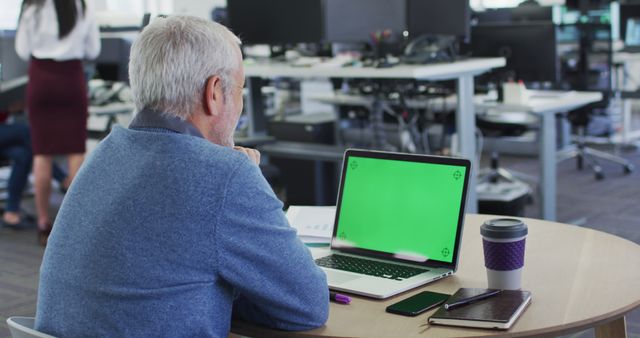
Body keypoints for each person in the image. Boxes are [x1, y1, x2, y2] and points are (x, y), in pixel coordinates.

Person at [35, 15, 329, 336]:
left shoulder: (106, 153)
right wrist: (246, 182)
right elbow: (308, 305)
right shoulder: (224, 173)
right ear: (214, 93)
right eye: (241, 89)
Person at [15, 0, 100, 245]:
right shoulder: (82, 6)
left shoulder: (33, 6)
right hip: (71, 79)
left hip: (41, 78)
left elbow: (22, 49)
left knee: (42, 154)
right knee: (75, 151)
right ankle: (72, 223)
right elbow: (93, 50)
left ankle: (43, 223)